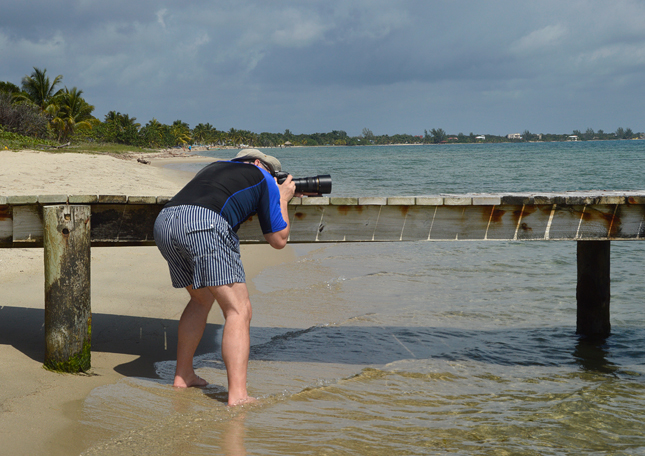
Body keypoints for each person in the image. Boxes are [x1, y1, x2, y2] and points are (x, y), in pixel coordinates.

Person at [153, 149, 297, 406]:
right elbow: (278, 240)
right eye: (273, 174)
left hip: (165, 223)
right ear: (258, 163)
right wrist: (282, 198)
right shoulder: (262, 176)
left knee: (200, 300)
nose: (274, 179)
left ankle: (183, 376)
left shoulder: (214, 167)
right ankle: (238, 395)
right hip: (203, 224)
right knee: (239, 311)